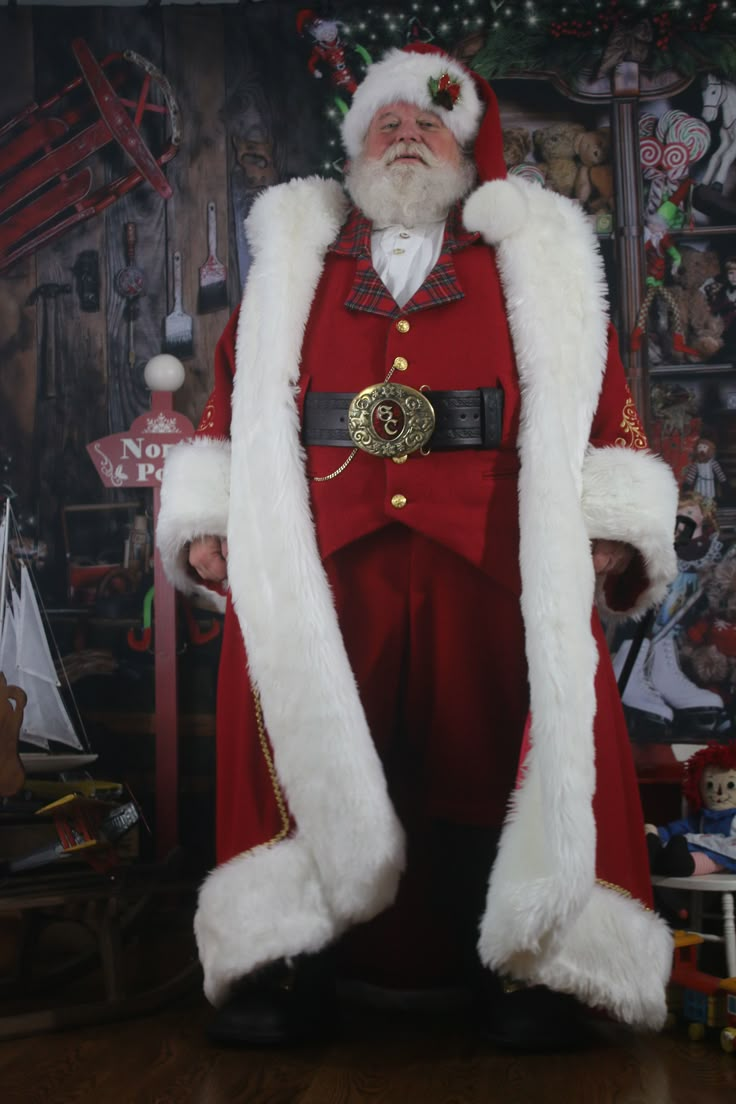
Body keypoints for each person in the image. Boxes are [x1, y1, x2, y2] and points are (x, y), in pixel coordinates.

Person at [157, 44, 679, 1048]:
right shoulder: (295, 268)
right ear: (356, 152)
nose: (406, 136)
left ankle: (524, 970)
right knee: (306, 752)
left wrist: (614, 521)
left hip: (490, 553)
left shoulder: (536, 263)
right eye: (385, 124)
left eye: (427, 123)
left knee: (489, 757)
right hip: (324, 562)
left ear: (465, 148)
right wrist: (211, 520)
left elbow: (603, 401)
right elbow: (229, 404)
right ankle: (293, 962)